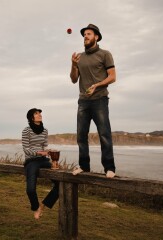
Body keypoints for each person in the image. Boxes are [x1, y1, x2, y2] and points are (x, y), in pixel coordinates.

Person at [69, 23, 116, 178]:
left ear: (96, 37)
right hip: (83, 101)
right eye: (84, 35)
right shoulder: (79, 57)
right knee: (81, 136)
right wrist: (73, 65)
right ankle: (84, 166)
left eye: (88, 34)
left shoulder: (105, 54)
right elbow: (74, 80)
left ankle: (109, 168)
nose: (85, 37)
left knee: (104, 134)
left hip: (100, 100)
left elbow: (112, 77)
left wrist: (97, 85)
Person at [22, 108, 59, 219]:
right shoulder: (26, 130)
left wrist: (48, 152)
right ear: (31, 117)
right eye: (36, 113)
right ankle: (36, 207)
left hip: (43, 160)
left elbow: (44, 146)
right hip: (31, 161)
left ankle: (43, 205)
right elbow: (26, 149)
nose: (40, 115)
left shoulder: (45, 130)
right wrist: (39, 152)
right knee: (30, 190)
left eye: (40, 113)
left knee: (61, 184)